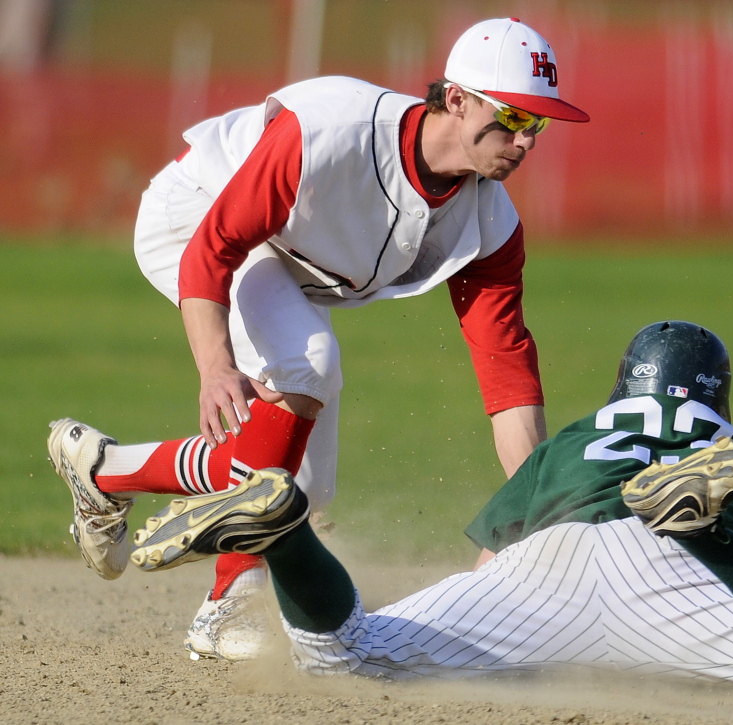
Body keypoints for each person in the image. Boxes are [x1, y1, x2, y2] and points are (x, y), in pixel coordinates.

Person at [44, 17, 589, 662]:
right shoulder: (335, 133)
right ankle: (228, 600)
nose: (526, 142)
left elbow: (506, 377)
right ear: (459, 99)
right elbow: (213, 246)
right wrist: (215, 365)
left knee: (304, 487)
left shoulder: (489, 221)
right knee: (308, 366)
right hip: (195, 214)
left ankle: (108, 473)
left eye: (539, 125)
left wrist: (529, 506)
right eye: (514, 118)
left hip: (280, 258)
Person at [129, 321, 733, 694]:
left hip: (550, 564)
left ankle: (287, 531)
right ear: (720, 399)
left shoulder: (571, 440)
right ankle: (696, 528)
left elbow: (488, 565)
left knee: (348, 651)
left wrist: (493, 629)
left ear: (620, 388)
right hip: (681, 576)